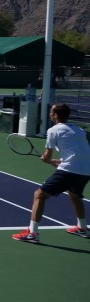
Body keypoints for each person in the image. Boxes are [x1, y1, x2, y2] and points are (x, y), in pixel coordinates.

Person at [12, 103, 90, 244]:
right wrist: (56, 161)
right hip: (86, 170)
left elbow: (47, 156)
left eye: (51, 111)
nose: (49, 113)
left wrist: (47, 160)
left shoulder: (53, 130)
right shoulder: (79, 130)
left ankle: (32, 233)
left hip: (70, 170)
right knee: (74, 195)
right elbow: (78, 154)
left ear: (55, 115)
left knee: (39, 195)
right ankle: (83, 228)